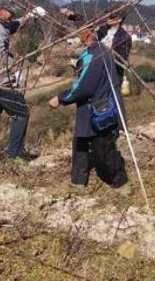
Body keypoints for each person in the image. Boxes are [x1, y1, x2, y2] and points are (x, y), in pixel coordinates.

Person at [48, 25, 130, 190]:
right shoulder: (101, 51)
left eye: (81, 32)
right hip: (93, 107)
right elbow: (91, 74)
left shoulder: (94, 55)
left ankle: (120, 181)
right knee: (81, 144)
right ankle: (78, 181)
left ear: (87, 34)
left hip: (97, 109)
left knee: (103, 148)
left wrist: (61, 98)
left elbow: (84, 87)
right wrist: (78, 66)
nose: (78, 35)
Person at [0, 1, 45, 167]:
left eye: (13, 13)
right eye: (8, 12)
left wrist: (28, 16)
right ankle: (15, 155)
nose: (11, 15)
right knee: (22, 112)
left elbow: (12, 26)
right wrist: (15, 66)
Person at [96, 9, 132, 84]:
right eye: (107, 15)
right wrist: (71, 15)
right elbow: (87, 26)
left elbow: (121, 59)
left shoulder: (124, 37)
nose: (108, 18)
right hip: (98, 73)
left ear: (120, 19)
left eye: (111, 16)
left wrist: (110, 49)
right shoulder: (102, 30)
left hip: (112, 77)